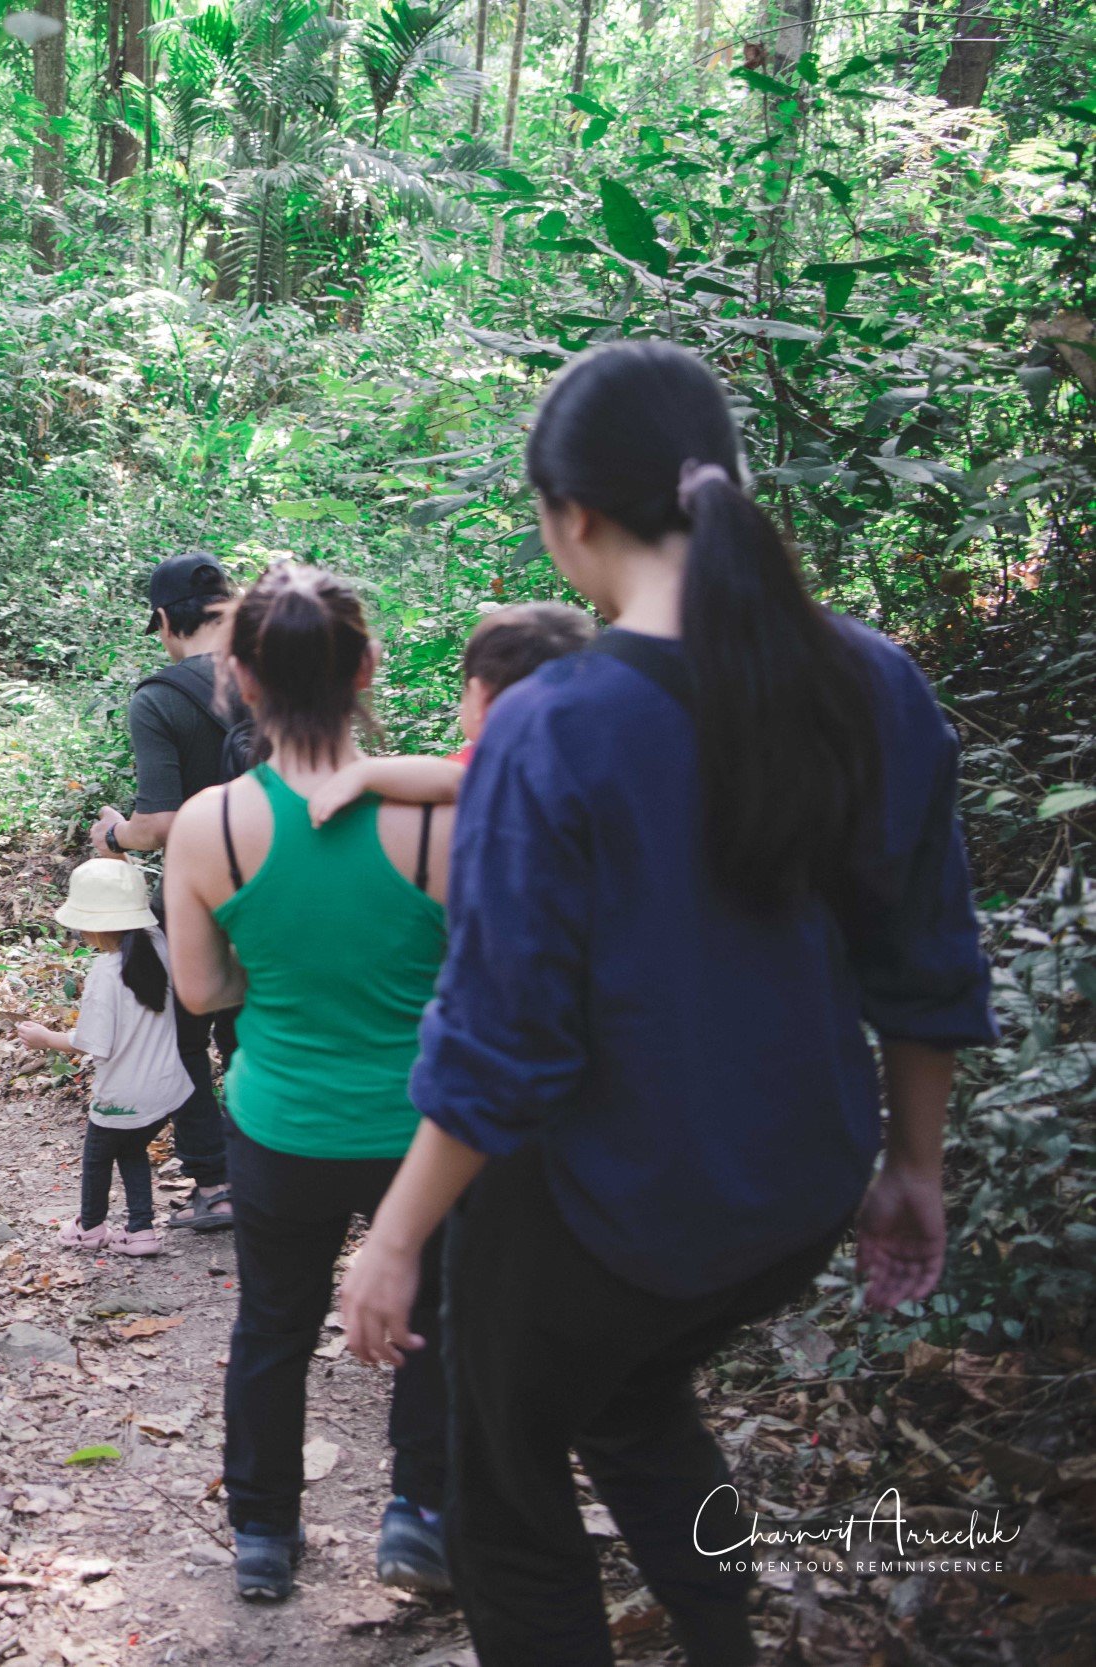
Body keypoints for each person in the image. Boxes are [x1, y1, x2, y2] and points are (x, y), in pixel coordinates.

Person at [336, 340, 994, 1667]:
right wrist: (913, 1167)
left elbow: (504, 1039)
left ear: (572, 515)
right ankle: (719, 1634)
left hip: (612, 1206)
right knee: (630, 1395)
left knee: (505, 1485)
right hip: (797, 1194)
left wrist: (395, 1238)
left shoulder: (557, 722)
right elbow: (925, 956)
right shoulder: (875, 680)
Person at [161, 564, 457, 1604]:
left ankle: (262, 1529)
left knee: (273, 1323)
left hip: (280, 1121)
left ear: (239, 677)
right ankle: (419, 1513)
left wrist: (278, 966)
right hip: (424, 1131)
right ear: (366, 666)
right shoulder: (440, 818)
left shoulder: (209, 825)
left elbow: (201, 990)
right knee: (433, 1317)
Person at [87, 551, 243, 1234]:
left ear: (163, 619)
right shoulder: (275, 677)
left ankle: (216, 1181)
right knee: (256, 1032)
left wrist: (115, 833)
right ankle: (269, 1173)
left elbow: (159, 823)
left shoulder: (160, 697)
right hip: (281, 884)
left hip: (197, 895)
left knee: (177, 1034)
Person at [15, 859, 195, 1257]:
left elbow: (93, 1042)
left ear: (95, 926)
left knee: (97, 1160)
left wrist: (46, 1039)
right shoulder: (159, 945)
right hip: (167, 1088)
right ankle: (141, 1231)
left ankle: (91, 1227)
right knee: (132, 1151)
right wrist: (117, 856)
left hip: (121, 1096)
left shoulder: (106, 972)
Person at [304, 601, 596, 828]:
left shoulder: (490, 768)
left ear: (480, 697)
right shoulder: (598, 759)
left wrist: (365, 772)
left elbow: (454, 779)